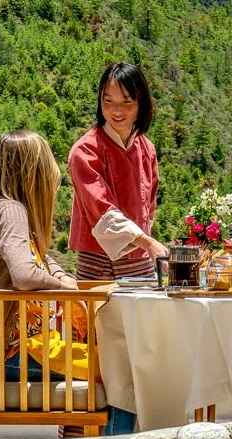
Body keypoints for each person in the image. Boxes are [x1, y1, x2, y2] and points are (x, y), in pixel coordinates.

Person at [0, 129, 136, 435]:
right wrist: (66, 288)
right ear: (34, 174)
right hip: (9, 355)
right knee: (121, 374)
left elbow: (39, 261)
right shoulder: (12, 211)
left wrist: (59, 276)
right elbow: (25, 274)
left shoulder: (0, 208)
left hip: (2, 351)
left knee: (112, 364)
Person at [68, 62, 169, 280]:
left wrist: (145, 244)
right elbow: (102, 211)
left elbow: (148, 209)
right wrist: (148, 242)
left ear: (141, 103)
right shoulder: (85, 151)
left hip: (140, 260)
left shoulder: (146, 149)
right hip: (98, 263)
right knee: (99, 315)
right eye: (108, 101)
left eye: (127, 102)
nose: (117, 111)